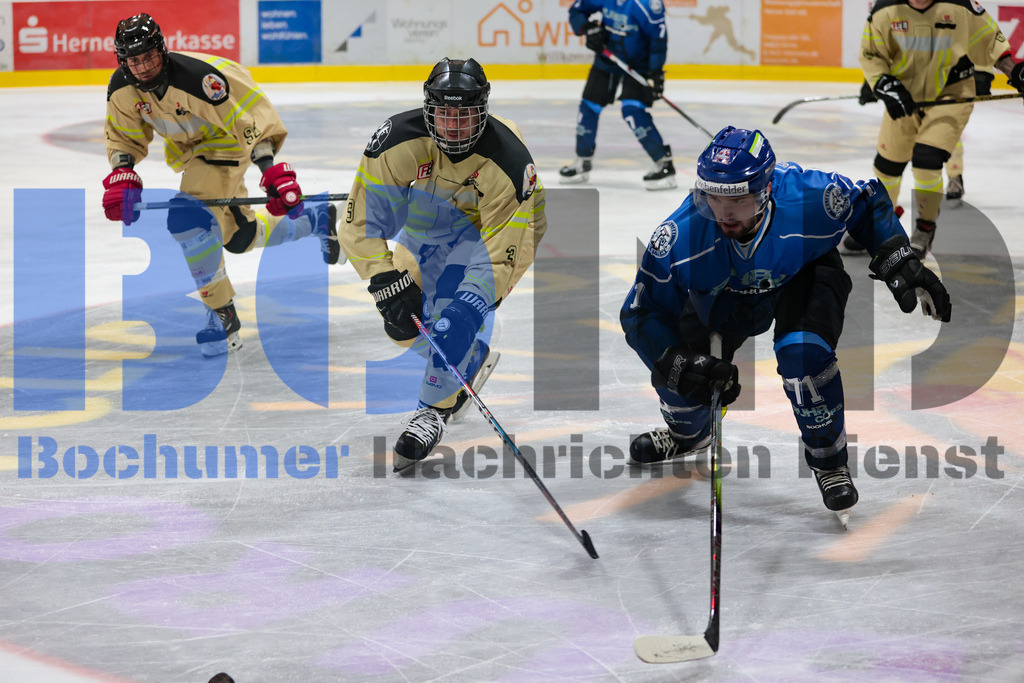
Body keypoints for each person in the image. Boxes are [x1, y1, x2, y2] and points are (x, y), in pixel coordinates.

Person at [620, 126, 952, 517]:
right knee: (682, 375)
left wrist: (898, 255)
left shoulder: (810, 197)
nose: (724, 214)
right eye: (712, 197)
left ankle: (830, 462)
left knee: (803, 355)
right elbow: (641, 311)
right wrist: (675, 363)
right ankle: (688, 434)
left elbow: (866, 201)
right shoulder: (679, 235)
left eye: (738, 200)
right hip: (722, 296)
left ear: (765, 190)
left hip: (804, 274)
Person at [339, 58, 547, 472]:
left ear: (483, 112)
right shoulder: (397, 142)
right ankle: (467, 360)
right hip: (430, 226)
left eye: (465, 115)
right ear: (428, 109)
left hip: (499, 230)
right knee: (402, 324)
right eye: (444, 114)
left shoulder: (508, 162)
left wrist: (469, 307)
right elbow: (359, 222)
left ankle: (432, 410)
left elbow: (499, 251)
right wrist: (383, 281)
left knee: (452, 316)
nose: (454, 127)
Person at [102, 13, 340, 357]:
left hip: (227, 142)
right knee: (239, 237)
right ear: (123, 61)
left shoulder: (202, 81)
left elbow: (249, 123)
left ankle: (220, 311)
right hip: (191, 151)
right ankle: (317, 220)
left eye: (149, 56)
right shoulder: (123, 87)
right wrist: (122, 175)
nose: (143, 68)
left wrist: (271, 171)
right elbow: (123, 137)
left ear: (162, 50)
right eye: (134, 60)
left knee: (187, 219)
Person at [846, 0, 1024, 258]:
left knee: (926, 159)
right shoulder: (884, 9)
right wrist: (880, 82)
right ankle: (879, 224)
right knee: (887, 166)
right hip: (905, 96)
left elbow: (989, 41)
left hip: (951, 94)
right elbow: (872, 53)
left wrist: (1015, 70)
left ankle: (925, 227)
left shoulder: (960, 6)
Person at [558, 0, 676, 190]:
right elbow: (576, 11)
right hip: (608, 57)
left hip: (640, 64)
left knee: (632, 111)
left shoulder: (647, 5)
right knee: (589, 106)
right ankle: (583, 161)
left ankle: (664, 163)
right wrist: (587, 28)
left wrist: (655, 72)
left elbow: (658, 39)